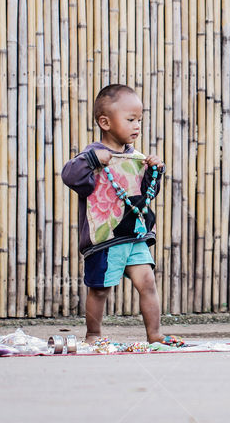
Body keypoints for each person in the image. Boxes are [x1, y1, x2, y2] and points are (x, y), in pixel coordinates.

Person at [61, 84, 169, 344]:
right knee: (99, 290)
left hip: (135, 235)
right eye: (130, 119)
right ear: (105, 122)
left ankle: (154, 334)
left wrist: (156, 171)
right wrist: (94, 160)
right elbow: (70, 176)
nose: (137, 126)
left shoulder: (138, 159)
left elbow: (147, 194)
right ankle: (94, 334)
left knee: (148, 282)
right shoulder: (92, 156)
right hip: (104, 238)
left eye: (139, 120)